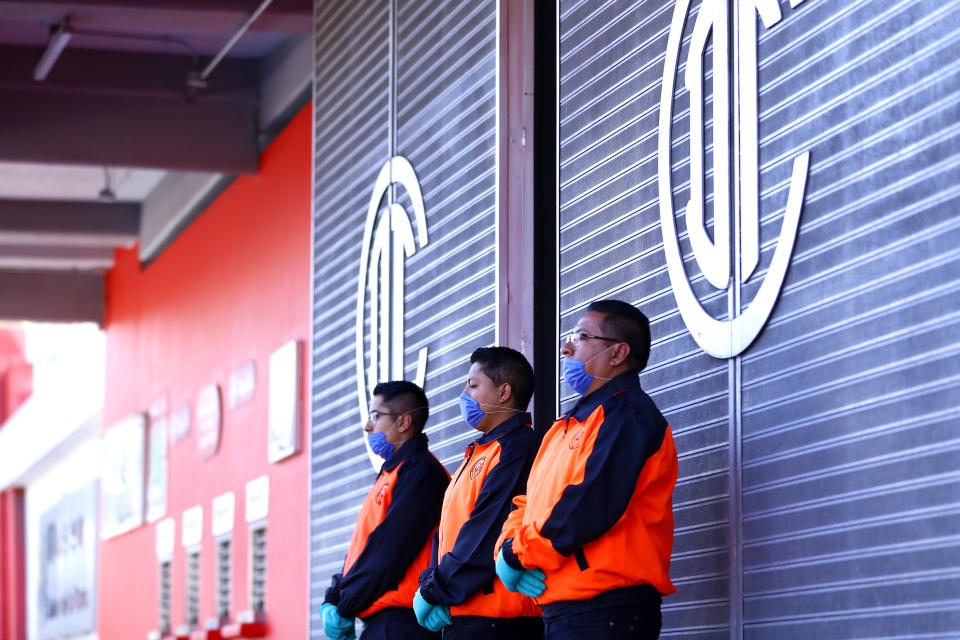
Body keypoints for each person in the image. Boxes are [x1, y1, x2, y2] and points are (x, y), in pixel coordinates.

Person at [494, 300, 678, 640]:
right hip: (566, 608)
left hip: (608, 609)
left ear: (618, 353)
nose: (566, 347)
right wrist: (505, 549)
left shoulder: (629, 416)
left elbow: (588, 503)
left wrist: (517, 553)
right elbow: (527, 503)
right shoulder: (564, 427)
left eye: (580, 337)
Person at [414, 347, 543, 639]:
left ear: (503, 392)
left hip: (500, 620)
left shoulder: (517, 447)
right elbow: (448, 533)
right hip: (466, 614)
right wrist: (430, 585)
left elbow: (485, 532)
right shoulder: (479, 452)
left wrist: (434, 591)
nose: (464, 394)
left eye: (473, 385)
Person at [322, 380, 450, 640]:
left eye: (376, 416)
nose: (367, 425)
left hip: (403, 625)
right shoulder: (391, 474)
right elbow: (362, 550)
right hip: (383, 624)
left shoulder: (421, 473)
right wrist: (333, 596)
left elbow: (388, 552)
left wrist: (344, 606)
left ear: (403, 422)